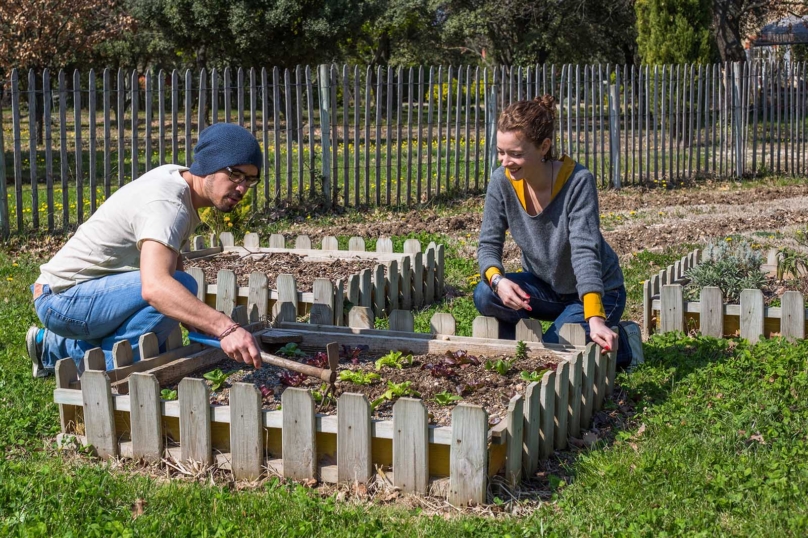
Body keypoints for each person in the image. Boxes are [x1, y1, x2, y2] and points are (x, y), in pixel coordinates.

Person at [26, 122, 265, 377]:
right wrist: (224, 328)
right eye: (235, 174)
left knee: (175, 295)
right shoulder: (168, 205)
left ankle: (51, 346)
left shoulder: (178, 181)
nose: (242, 188)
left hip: (76, 292)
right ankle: (100, 371)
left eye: (250, 179)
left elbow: (170, 260)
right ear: (208, 164)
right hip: (63, 299)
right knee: (172, 292)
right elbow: (156, 287)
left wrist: (196, 321)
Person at [474, 95, 643, 369]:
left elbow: (584, 250)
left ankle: (625, 341)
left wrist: (595, 317)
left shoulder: (577, 181)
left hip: (597, 293)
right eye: (501, 151)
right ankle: (520, 350)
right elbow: (488, 244)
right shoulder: (501, 181)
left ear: (544, 147)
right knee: (484, 294)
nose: (506, 161)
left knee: (553, 353)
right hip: (547, 288)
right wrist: (497, 281)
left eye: (516, 153)